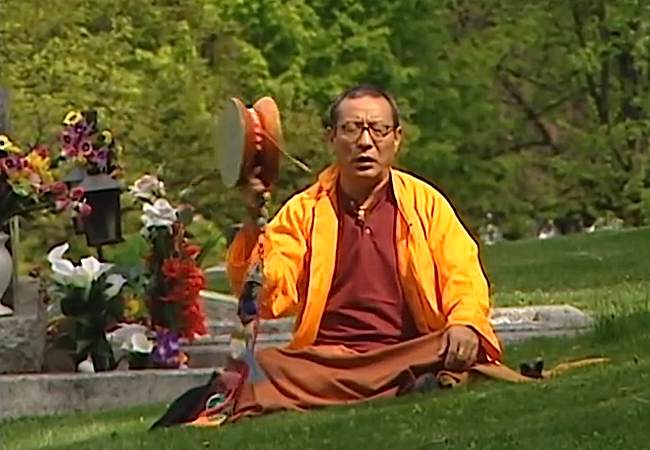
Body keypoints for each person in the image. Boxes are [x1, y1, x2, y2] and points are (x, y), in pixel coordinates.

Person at [154, 85, 522, 429]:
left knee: (450, 344)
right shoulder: (305, 211)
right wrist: (253, 222)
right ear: (331, 137)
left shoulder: (425, 204)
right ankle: (415, 384)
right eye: (351, 129)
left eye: (378, 129)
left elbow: (463, 274)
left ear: (397, 138)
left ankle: (412, 378)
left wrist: (465, 322)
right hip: (329, 360)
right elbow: (266, 297)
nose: (365, 142)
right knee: (268, 365)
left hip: (407, 349)